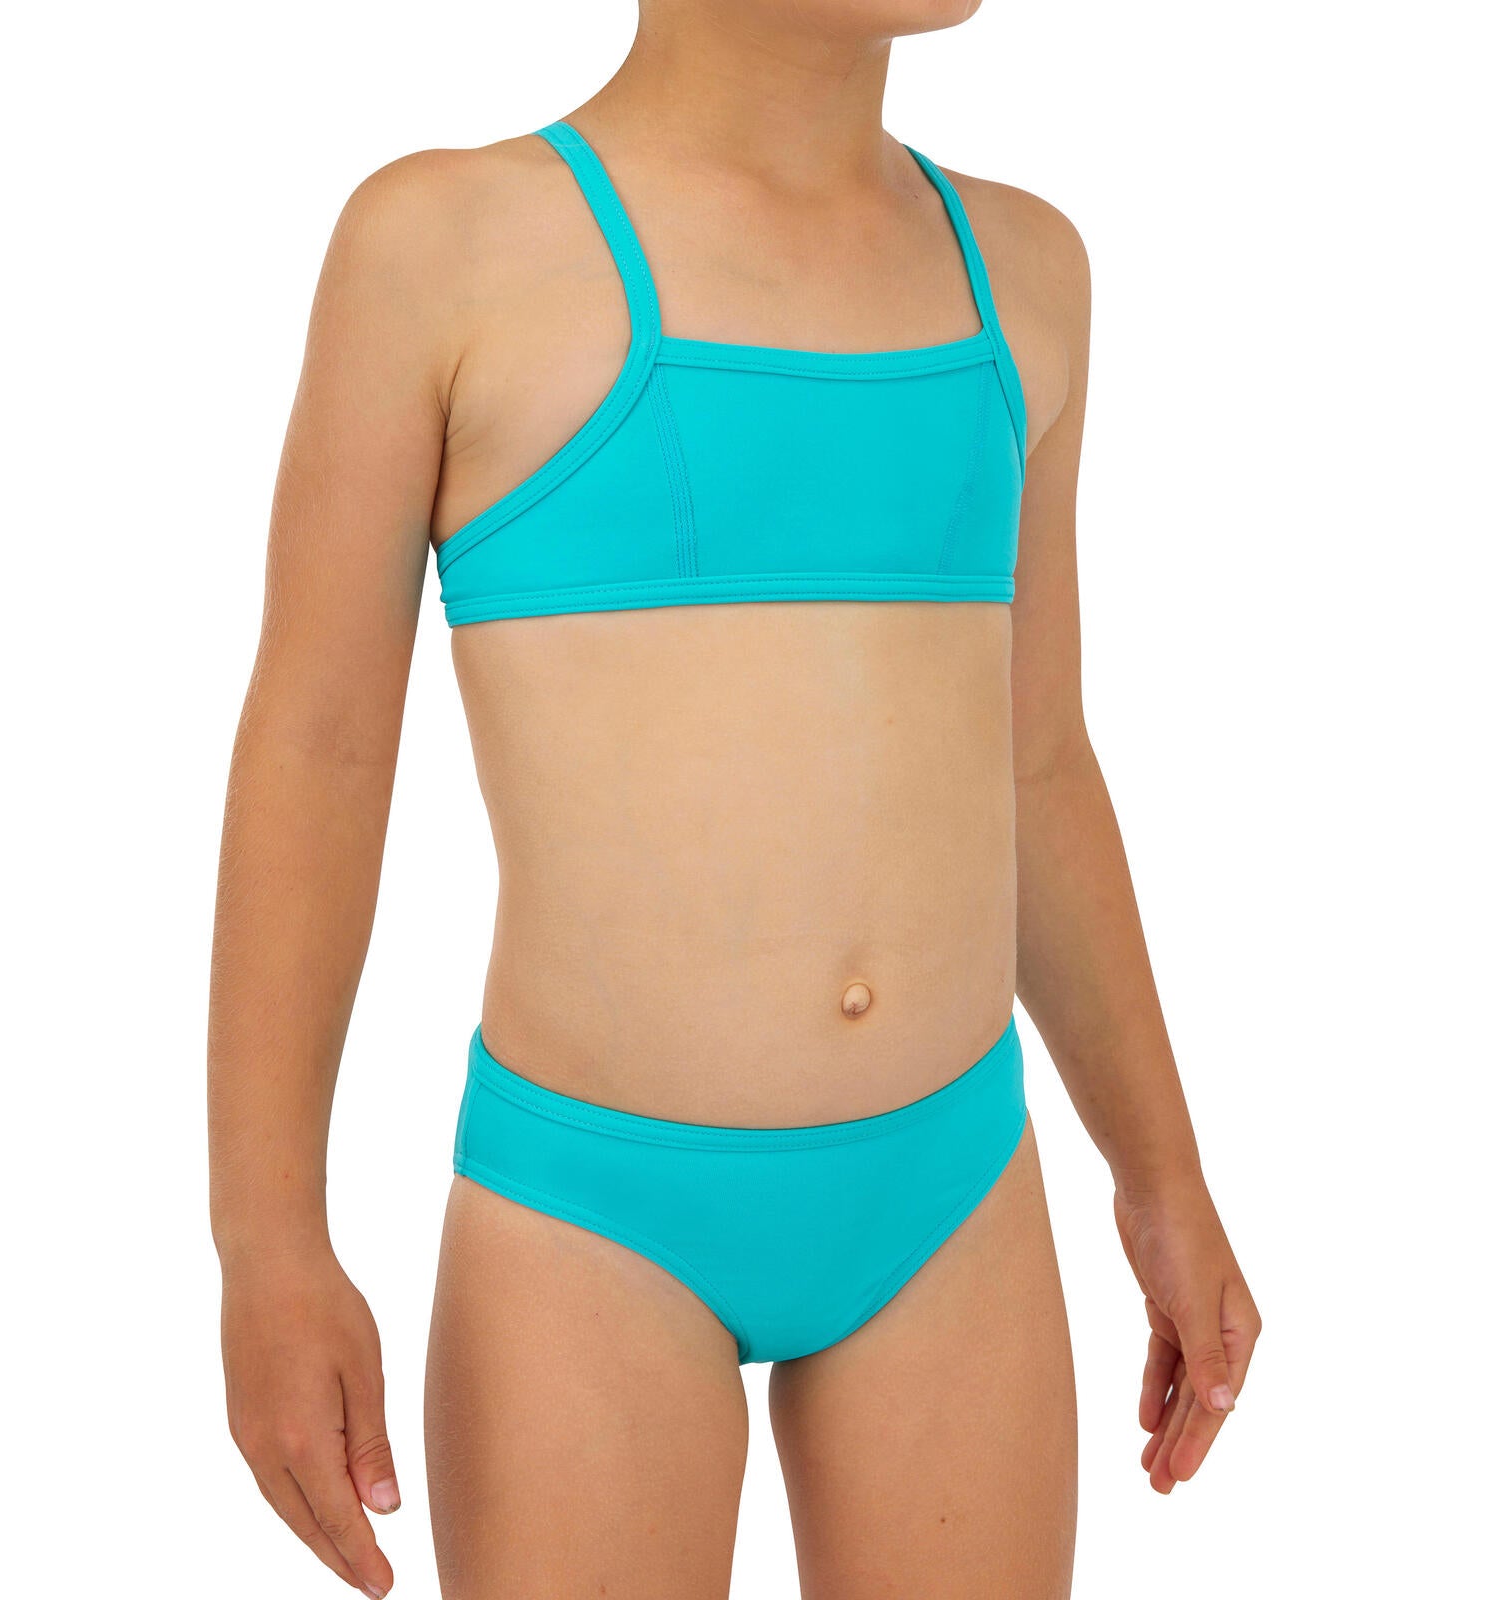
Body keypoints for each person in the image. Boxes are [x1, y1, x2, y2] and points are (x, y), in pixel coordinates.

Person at [207, 2, 1261, 1595]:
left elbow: (1038, 760)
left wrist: (1163, 1174)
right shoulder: (449, 248)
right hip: (591, 1220)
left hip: (951, 1192)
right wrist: (268, 1239)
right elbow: (319, 752)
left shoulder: (1024, 271)